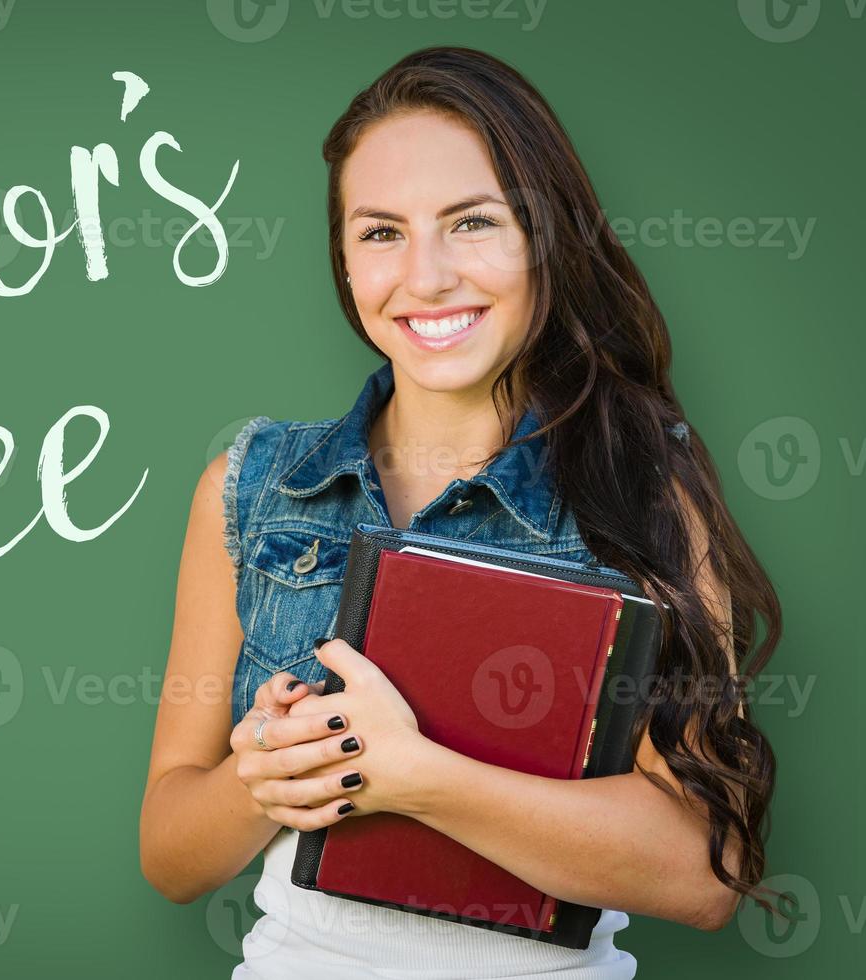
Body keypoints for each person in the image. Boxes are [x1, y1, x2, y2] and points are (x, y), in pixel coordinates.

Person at [138, 46, 781, 979]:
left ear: (543, 239)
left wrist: (421, 779)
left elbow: (704, 875)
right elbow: (170, 856)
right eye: (381, 232)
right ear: (344, 260)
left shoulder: (642, 489)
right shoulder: (251, 488)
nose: (426, 277)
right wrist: (261, 782)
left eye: (472, 222)